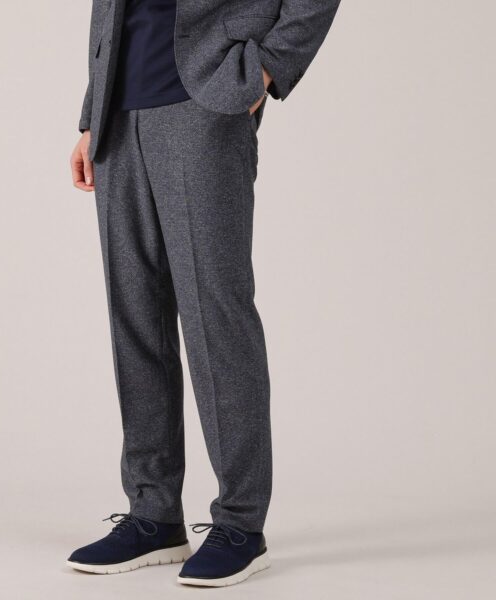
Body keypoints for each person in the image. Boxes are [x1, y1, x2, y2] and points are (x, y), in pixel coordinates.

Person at [67, 0, 340, 587]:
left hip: (205, 102)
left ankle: (241, 522)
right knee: (134, 317)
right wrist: (92, 114)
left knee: (215, 315)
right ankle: (153, 513)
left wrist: (267, 66)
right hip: (118, 114)